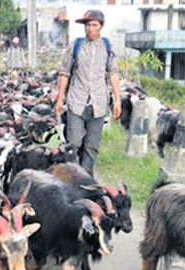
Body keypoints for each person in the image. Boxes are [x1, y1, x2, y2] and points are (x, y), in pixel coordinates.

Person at [55, 10, 122, 176]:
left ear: (101, 26)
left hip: (98, 104)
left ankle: (85, 180)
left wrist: (118, 99)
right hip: (77, 101)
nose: (90, 29)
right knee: (74, 143)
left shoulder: (107, 47)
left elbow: (113, 73)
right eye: (87, 25)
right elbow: (65, 72)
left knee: (92, 147)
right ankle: (70, 176)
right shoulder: (76, 46)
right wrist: (59, 98)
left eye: (94, 25)